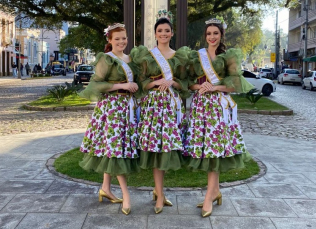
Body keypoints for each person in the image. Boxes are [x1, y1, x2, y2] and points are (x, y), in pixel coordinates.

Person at [183, 17, 254, 217]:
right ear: (204, 36)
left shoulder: (228, 56)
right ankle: (214, 192)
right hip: (200, 108)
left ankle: (209, 196)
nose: (212, 37)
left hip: (218, 109)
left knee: (215, 151)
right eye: (208, 34)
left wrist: (214, 86)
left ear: (221, 34)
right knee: (207, 150)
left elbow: (234, 86)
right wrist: (201, 86)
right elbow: (189, 83)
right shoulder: (197, 56)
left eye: (215, 33)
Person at [79, 23, 140, 216]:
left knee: (113, 148)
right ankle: (126, 195)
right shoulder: (106, 59)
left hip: (127, 109)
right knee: (116, 151)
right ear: (110, 40)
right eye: (117, 39)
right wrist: (122, 85)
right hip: (112, 109)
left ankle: (106, 188)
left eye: (124, 38)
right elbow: (96, 84)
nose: (122, 41)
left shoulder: (131, 59)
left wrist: (134, 86)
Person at [132, 11, 190, 214]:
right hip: (153, 107)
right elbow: (141, 83)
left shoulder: (179, 56)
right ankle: (159, 193)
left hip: (171, 107)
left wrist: (172, 81)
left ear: (172, 33)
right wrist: (156, 82)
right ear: (155, 34)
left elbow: (185, 84)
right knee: (155, 149)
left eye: (167, 30)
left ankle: (159, 192)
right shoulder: (147, 56)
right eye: (160, 31)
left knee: (166, 149)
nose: (163, 33)